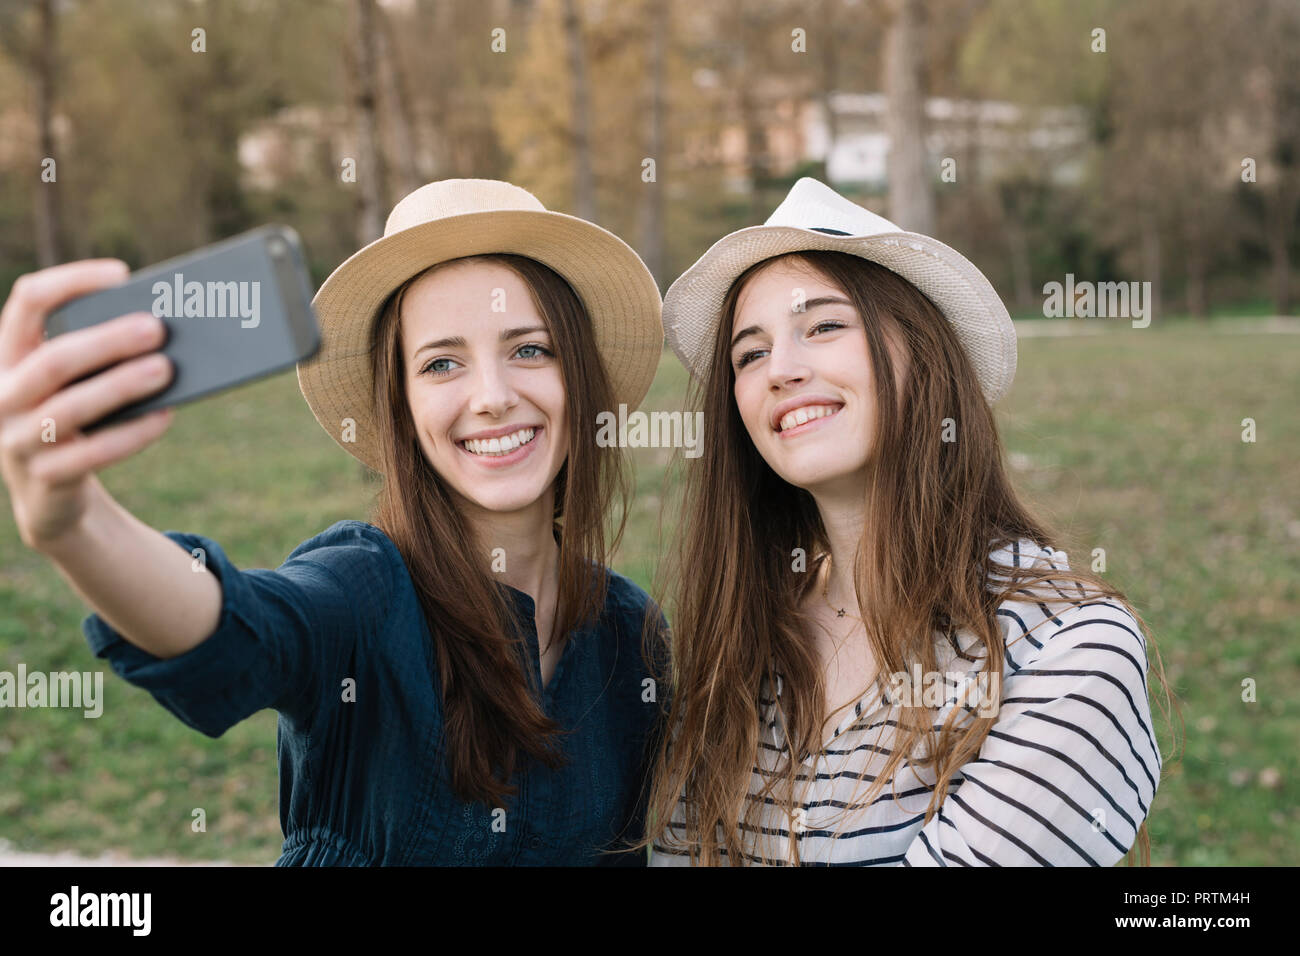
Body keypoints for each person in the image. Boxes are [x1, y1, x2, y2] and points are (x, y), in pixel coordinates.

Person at [0, 179, 669, 865]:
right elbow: (234, 624)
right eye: (442, 363)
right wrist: (75, 524)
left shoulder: (634, 637)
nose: (493, 397)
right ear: (402, 409)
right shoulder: (364, 591)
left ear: (577, 376)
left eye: (530, 349)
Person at [643, 177, 1179, 866]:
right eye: (749, 354)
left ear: (924, 355)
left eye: (824, 326)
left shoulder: (1066, 649)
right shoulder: (742, 641)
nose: (780, 369)